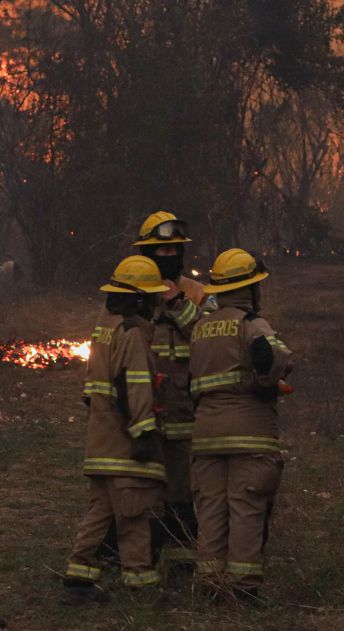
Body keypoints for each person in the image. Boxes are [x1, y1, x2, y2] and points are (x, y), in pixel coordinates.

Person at [62, 255, 169, 605]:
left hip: (100, 442)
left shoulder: (104, 328)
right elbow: (136, 386)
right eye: (151, 296)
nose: (155, 303)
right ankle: (141, 588)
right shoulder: (132, 333)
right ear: (139, 298)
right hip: (125, 445)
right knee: (135, 513)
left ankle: (78, 578)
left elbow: (92, 392)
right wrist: (143, 433)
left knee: (100, 512)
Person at [188, 248, 293, 602]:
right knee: (246, 505)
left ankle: (210, 583)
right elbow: (274, 355)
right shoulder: (251, 323)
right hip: (249, 430)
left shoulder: (201, 327)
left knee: (212, 507)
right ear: (250, 289)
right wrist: (266, 380)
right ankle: (243, 588)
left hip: (205, 434)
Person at [133, 211, 208, 569]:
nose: (169, 257)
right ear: (145, 254)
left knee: (181, 491)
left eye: (175, 250)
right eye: (160, 252)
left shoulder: (198, 293)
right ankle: (136, 561)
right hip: (140, 408)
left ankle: (179, 566)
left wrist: (178, 302)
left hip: (183, 410)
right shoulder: (130, 291)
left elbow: (212, 339)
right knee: (140, 490)